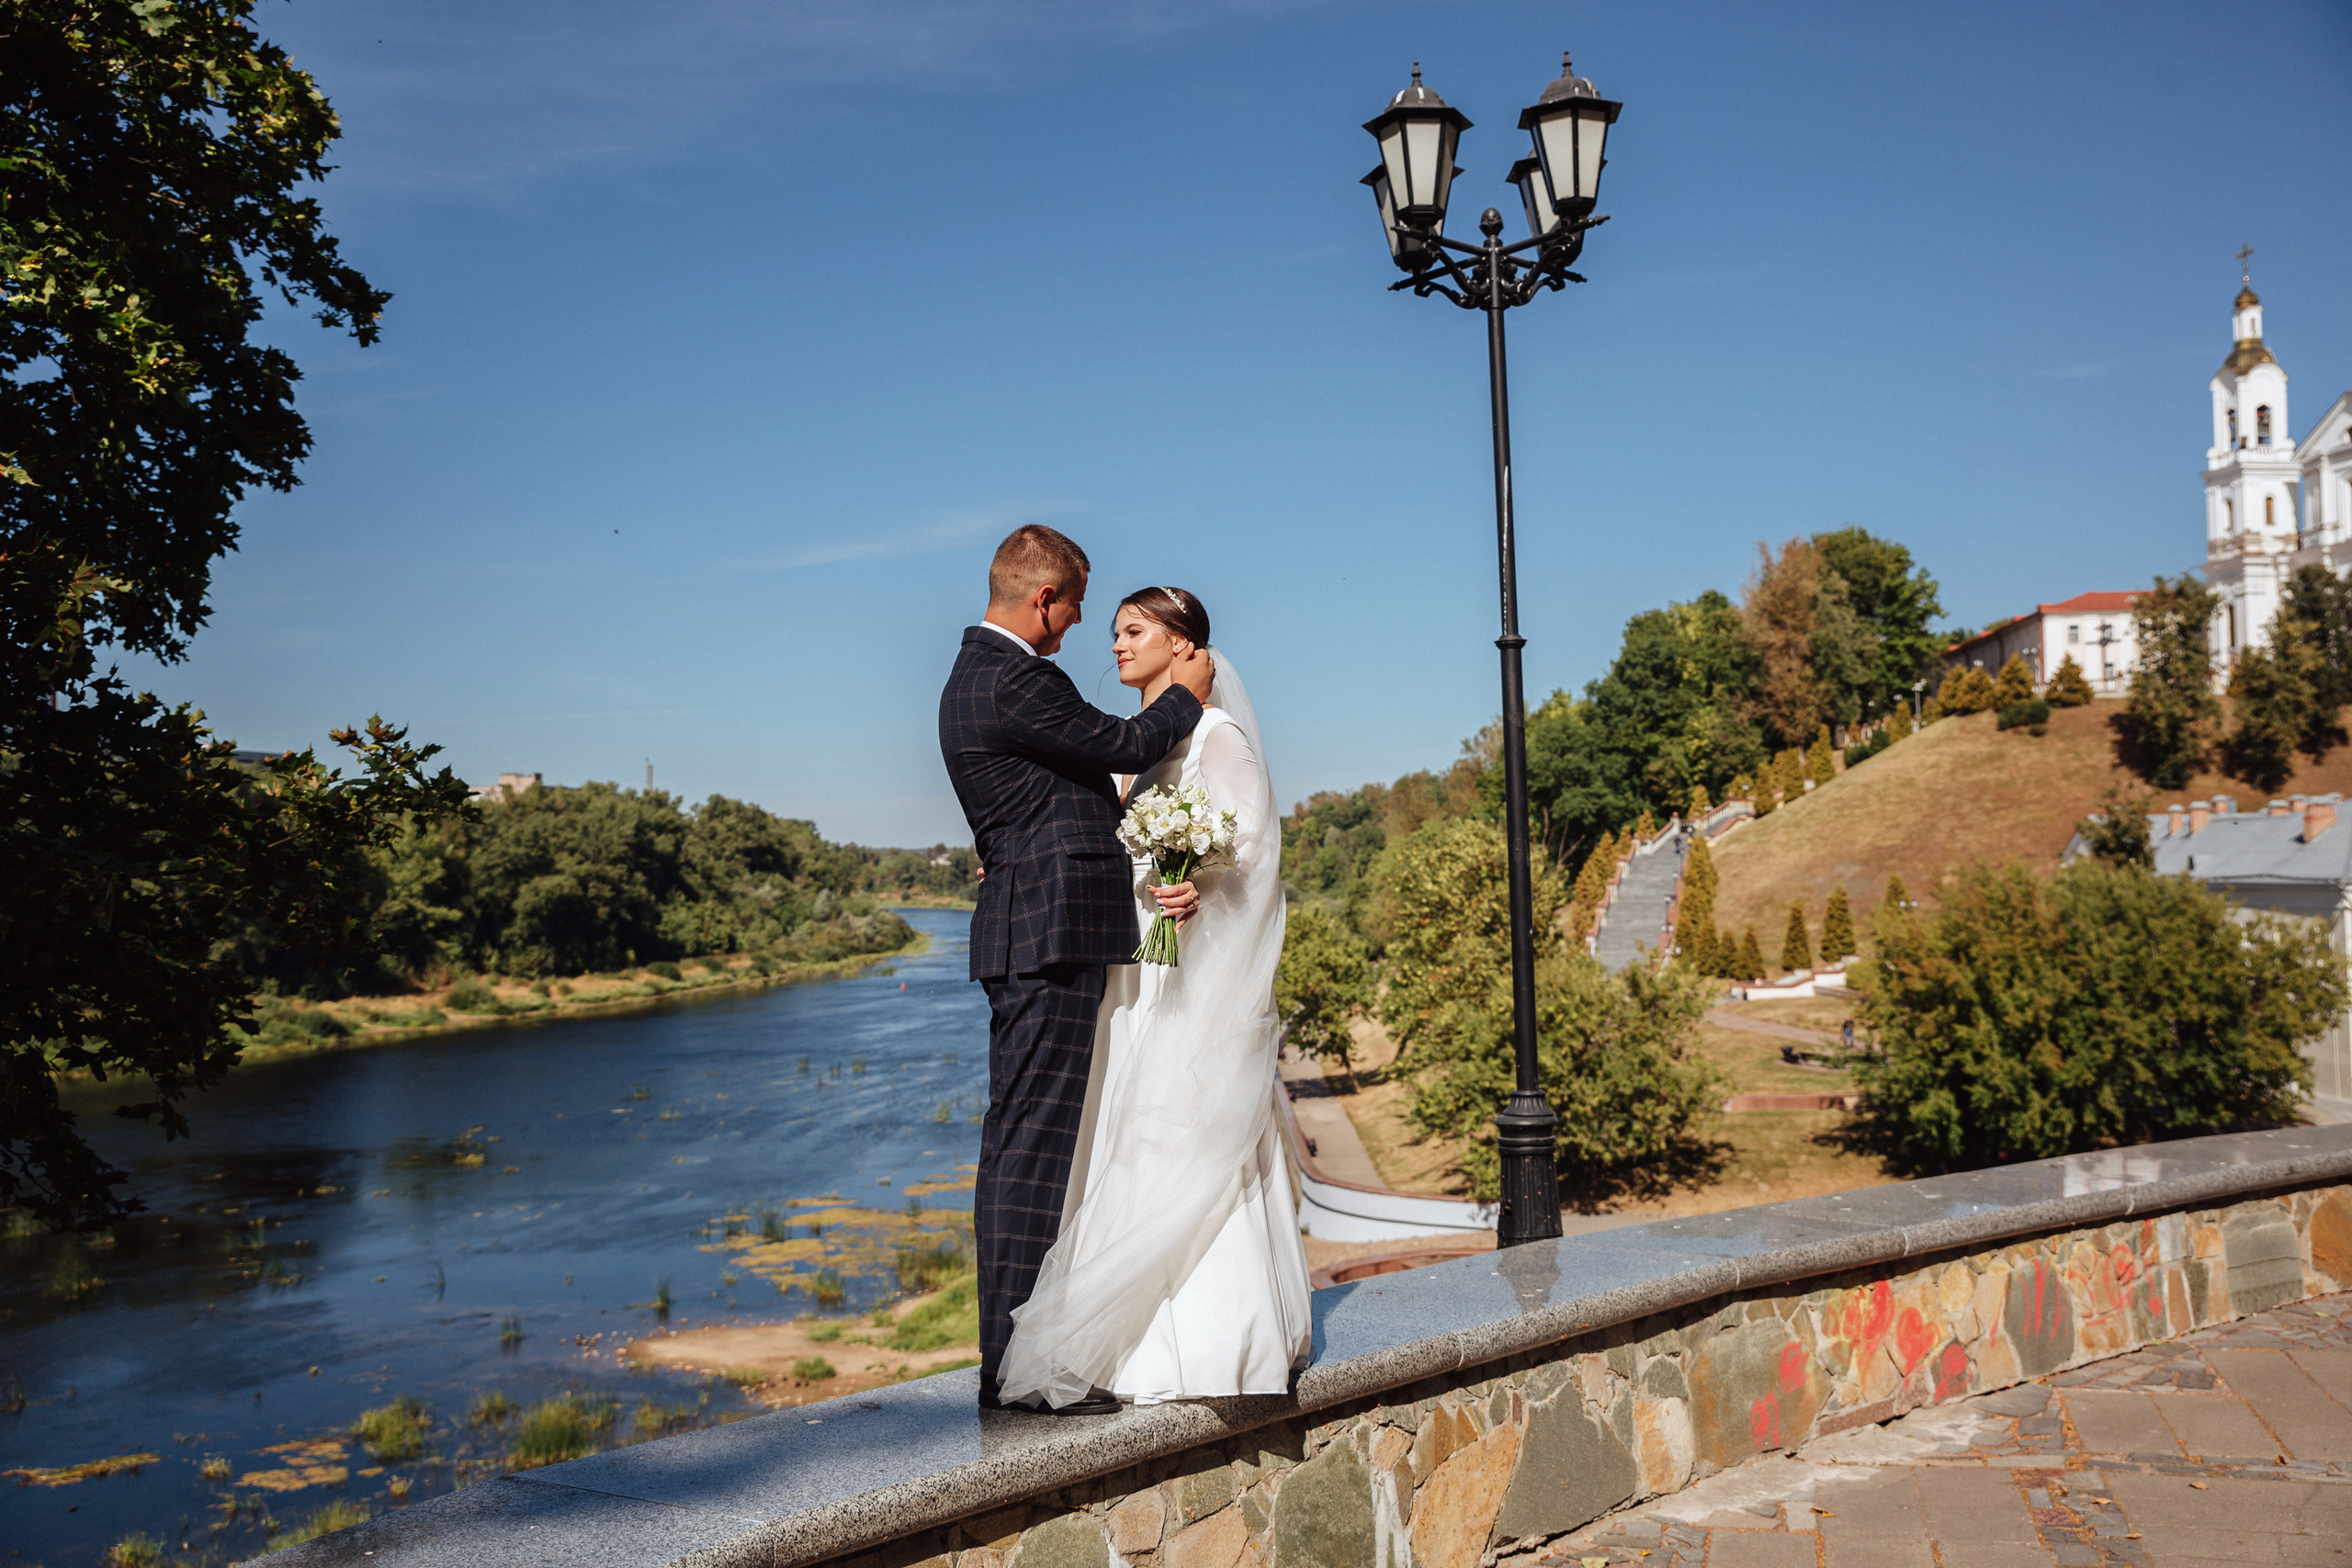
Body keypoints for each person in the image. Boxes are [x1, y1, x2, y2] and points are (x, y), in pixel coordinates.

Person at [996, 586, 1311, 1410]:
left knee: (1183, 1124)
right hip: (1129, 970)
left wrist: (1200, 889)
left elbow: (1257, 856)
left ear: (1183, 644)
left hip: (1185, 971)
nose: (1117, 645)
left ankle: (1212, 1336)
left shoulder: (1217, 735)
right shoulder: (1125, 744)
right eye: (1113, 633)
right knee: (1122, 1127)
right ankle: (1116, 1339)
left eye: (1134, 631)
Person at [938, 526, 1214, 1416]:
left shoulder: (982, 676)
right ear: (1044, 599)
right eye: (1079, 606)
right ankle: (1018, 1374)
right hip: (1044, 935)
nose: (1085, 626)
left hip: (1039, 929)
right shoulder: (1010, 677)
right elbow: (1128, 744)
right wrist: (1189, 692)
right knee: (1029, 1154)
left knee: (1032, 1148)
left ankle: (1017, 1363)